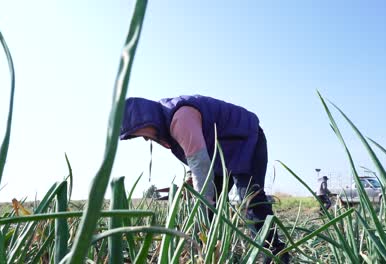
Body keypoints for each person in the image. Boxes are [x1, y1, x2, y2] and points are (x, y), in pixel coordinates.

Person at [120, 95, 289, 262]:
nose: (144, 139)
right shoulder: (166, 121)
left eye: (138, 133)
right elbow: (194, 155)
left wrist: (203, 200)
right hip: (220, 151)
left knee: (250, 199)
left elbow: (200, 165)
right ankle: (214, 253)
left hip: (246, 139)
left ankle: (275, 254)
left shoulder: (180, 119)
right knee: (212, 203)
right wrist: (190, 180)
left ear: (144, 120)